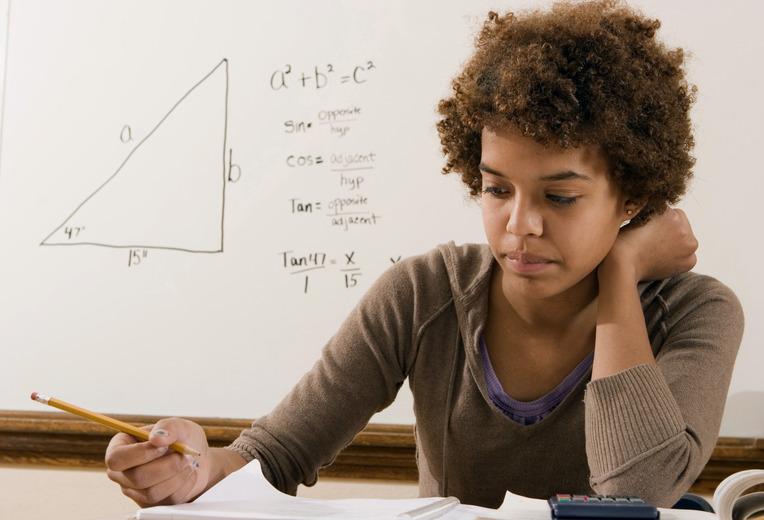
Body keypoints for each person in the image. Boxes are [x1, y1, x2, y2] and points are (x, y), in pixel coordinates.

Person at [105, 0, 744, 509]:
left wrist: (620, 272)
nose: (520, 225)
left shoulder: (698, 313)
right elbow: (274, 456)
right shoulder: (424, 294)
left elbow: (637, 493)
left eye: (560, 196)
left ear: (632, 195)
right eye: (497, 188)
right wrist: (192, 471)